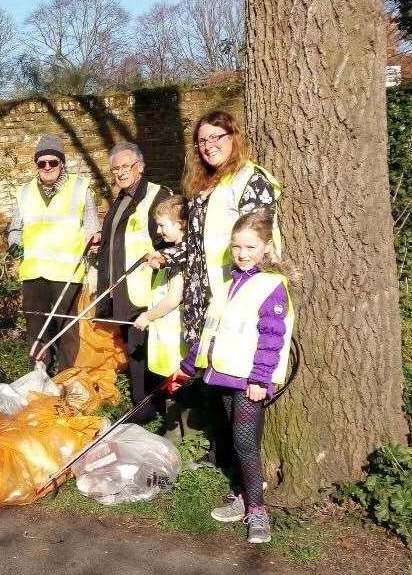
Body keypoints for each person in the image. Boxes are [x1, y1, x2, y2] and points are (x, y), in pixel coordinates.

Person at [149, 110, 282, 467]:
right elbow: (196, 240)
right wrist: (169, 255)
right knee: (210, 374)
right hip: (202, 296)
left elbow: (258, 239)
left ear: (233, 138)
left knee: (233, 378)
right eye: (202, 140)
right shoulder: (204, 185)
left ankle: (240, 465)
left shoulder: (249, 179)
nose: (209, 146)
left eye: (217, 138)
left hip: (234, 298)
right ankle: (217, 449)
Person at [170, 210, 295, 544]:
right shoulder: (228, 285)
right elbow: (209, 332)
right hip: (222, 376)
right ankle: (242, 495)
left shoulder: (270, 286)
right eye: (237, 246)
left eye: (250, 247)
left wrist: (260, 379)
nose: (242, 253)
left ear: (267, 248)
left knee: (245, 442)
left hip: (249, 382)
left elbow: (273, 338)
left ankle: (257, 510)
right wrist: (186, 366)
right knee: (230, 439)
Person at [8, 134, 101, 371]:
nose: (47, 167)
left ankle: (67, 373)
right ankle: (39, 373)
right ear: (37, 165)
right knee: (35, 327)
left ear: (62, 163)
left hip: (67, 271)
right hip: (34, 273)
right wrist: (14, 243)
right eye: (42, 163)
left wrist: (95, 240)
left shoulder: (80, 188)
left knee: (67, 327)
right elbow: (15, 229)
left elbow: (92, 228)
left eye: (53, 162)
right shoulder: (24, 192)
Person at [94, 142, 172, 423]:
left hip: (147, 289)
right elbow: (120, 237)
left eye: (125, 166)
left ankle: (147, 405)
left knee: (145, 348)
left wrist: (161, 258)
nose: (119, 173)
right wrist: (101, 240)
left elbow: (170, 238)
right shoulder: (122, 198)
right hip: (123, 288)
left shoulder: (156, 195)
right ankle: (144, 403)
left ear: (140, 166)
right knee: (133, 346)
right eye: (115, 168)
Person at [132, 196, 190, 438]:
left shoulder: (180, 258)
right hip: (164, 333)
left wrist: (148, 316)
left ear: (181, 224)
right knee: (169, 379)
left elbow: (173, 297)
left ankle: (180, 433)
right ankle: (174, 428)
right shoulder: (169, 255)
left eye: (163, 225)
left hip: (174, 334)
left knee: (177, 381)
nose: (158, 231)